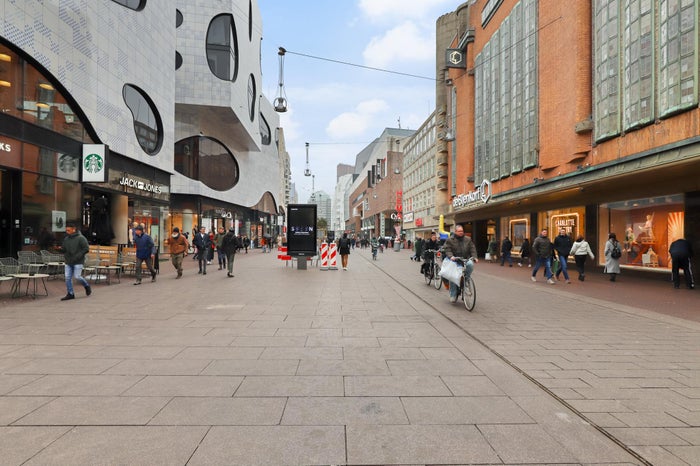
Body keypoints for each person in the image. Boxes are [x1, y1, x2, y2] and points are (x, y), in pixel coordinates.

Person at [443, 224, 478, 303]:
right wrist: (451, 256)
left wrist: (474, 257)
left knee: (470, 264)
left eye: (462, 231)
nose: (461, 232)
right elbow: (447, 249)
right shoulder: (450, 240)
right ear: (455, 232)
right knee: (453, 277)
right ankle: (453, 294)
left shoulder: (468, 239)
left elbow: (472, 248)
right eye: (459, 231)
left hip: (465, 259)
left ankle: (466, 280)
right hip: (455, 260)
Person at [59, 222, 91, 300]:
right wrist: (59, 249)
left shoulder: (81, 238)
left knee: (77, 277)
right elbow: (64, 249)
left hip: (78, 261)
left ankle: (86, 285)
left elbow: (86, 249)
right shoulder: (66, 239)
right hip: (68, 261)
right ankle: (70, 294)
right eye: (66, 230)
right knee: (67, 277)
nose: (67, 232)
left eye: (68, 230)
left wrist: (78, 256)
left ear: (74, 229)